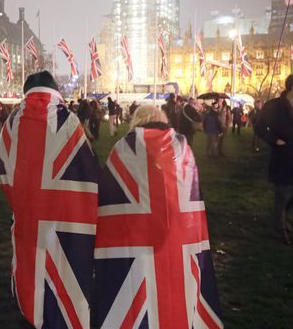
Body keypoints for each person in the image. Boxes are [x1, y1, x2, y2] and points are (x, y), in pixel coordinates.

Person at [94, 105, 223, 328]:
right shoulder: (183, 147)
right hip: (178, 236)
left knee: (141, 286)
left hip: (138, 238)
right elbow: (192, 190)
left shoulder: (124, 148)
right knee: (176, 288)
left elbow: (109, 196)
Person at [0, 71, 100, 328]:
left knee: (30, 267)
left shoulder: (13, 121)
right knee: (60, 269)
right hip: (61, 219)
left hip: (27, 218)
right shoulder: (69, 121)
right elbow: (89, 172)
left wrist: (19, 198)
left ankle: (31, 309)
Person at [254, 74, 293, 245]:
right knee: (282, 194)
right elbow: (260, 127)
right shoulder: (274, 105)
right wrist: (274, 140)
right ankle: (279, 230)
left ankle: (281, 216)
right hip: (283, 156)